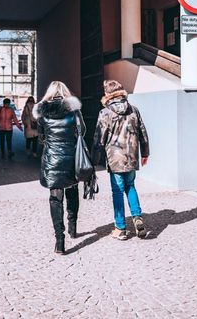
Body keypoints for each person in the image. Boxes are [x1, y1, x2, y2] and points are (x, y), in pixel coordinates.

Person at [92, 80, 150, 240]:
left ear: (107, 94)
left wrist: (94, 161)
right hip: (131, 156)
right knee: (130, 186)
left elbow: (99, 139)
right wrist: (145, 153)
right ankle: (137, 217)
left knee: (117, 191)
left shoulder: (105, 113)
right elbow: (143, 132)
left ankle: (120, 228)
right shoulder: (133, 110)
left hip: (115, 158)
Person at [33, 81, 82, 254]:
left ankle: (59, 240)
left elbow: (41, 137)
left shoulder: (42, 112)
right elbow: (82, 131)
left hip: (52, 159)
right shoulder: (73, 110)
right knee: (72, 191)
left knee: (55, 198)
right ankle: (72, 227)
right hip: (70, 157)